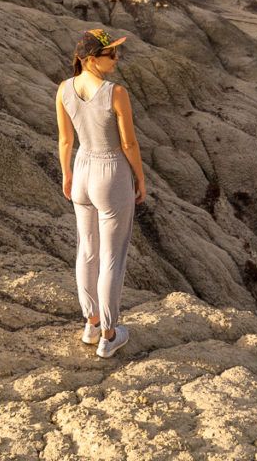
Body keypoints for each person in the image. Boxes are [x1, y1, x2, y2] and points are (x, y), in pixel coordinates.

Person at [56, 27, 146, 359]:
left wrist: (66, 173)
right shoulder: (115, 92)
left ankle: (91, 323)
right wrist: (140, 177)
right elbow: (128, 144)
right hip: (110, 172)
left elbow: (65, 140)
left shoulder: (64, 89)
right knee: (112, 257)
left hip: (81, 169)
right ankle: (109, 334)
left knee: (87, 250)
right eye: (111, 54)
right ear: (91, 60)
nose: (116, 58)